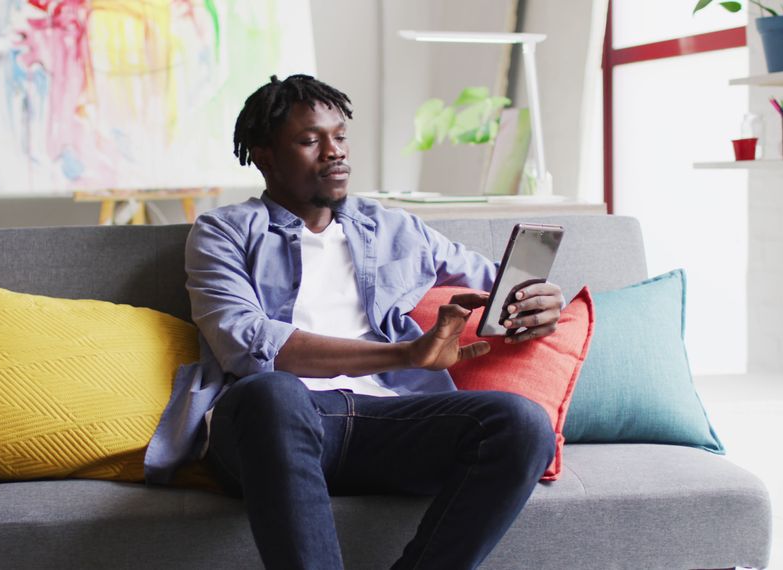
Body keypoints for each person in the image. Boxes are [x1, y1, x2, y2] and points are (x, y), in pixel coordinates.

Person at [145, 74, 565, 569]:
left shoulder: (394, 227)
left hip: (387, 424)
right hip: (274, 430)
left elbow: (500, 283)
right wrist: (406, 354)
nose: (334, 151)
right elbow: (249, 345)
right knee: (273, 391)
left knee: (521, 424)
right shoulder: (224, 233)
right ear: (264, 156)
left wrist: (538, 301)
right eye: (309, 140)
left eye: (339, 136)